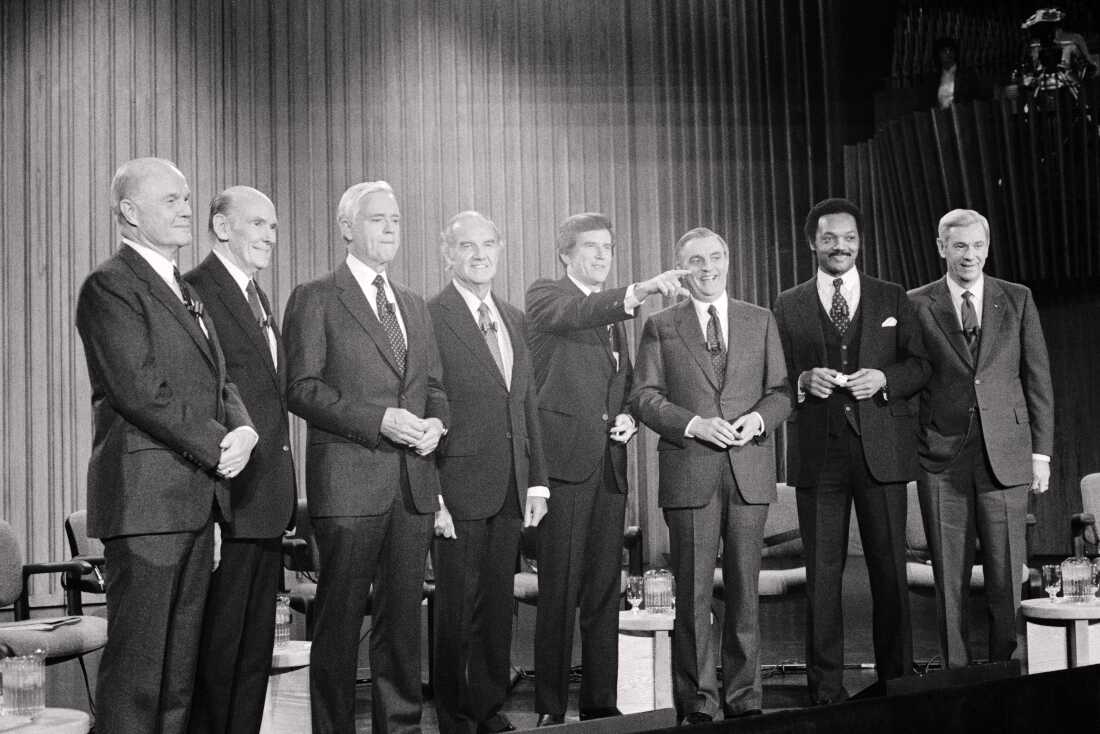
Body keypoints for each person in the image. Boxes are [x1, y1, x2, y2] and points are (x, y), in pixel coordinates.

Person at [75, 157, 258, 734]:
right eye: (171, 200)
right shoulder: (111, 285)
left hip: (194, 503)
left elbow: (218, 379)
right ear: (130, 213)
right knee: (138, 676)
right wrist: (218, 442)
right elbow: (140, 390)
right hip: (148, 504)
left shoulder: (182, 288)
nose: (186, 209)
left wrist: (245, 430)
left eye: (186, 199)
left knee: (178, 677)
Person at [283, 180, 448, 733]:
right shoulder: (316, 297)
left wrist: (436, 424)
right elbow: (301, 389)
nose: (391, 228)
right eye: (378, 219)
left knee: (402, 623)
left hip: (413, 485)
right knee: (339, 620)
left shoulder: (415, 304)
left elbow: (434, 386)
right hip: (349, 484)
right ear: (347, 227)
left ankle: (398, 727)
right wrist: (377, 420)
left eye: (396, 219)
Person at [525, 212, 687, 725]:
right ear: (565, 254)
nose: (601, 255)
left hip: (608, 470)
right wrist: (637, 291)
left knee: (603, 593)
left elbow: (630, 384)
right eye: (591, 247)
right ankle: (550, 709)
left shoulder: (615, 322)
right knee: (559, 594)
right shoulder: (547, 296)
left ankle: (600, 705)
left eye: (608, 247)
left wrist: (627, 417)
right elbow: (579, 311)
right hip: (564, 470)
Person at [631, 227, 792, 724]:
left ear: (728, 260)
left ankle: (745, 701)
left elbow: (782, 391)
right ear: (682, 268)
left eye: (717, 257)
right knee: (693, 598)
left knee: (745, 595)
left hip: (748, 474)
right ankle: (699, 704)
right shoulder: (661, 325)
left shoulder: (760, 320)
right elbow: (644, 397)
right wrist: (694, 423)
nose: (708, 268)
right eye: (696, 260)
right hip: (690, 473)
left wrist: (759, 418)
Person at [772, 197, 928, 704]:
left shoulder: (892, 297)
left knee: (889, 574)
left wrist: (884, 378)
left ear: (860, 242)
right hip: (818, 454)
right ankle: (825, 691)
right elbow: (774, 377)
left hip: (881, 451)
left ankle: (897, 684)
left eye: (849, 237)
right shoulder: (788, 302)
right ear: (812, 242)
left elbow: (919, 367)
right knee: (823, 578)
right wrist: (801, 379)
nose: (840, 246)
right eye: (830, 237)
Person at [909, 208, 1053, 667]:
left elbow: (1037, 381)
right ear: (941, 248)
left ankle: (1006, 674)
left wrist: (1042, 455)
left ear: (987, 248)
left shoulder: (1017, 299)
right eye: (959, 246)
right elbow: (909, 379)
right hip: (941, 457)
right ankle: (956, 678)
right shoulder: (915, 303)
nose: (969, 255)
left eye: (976, 246)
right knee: (948, 578)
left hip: (1005, 455)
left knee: (1006, 576)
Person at [428, 211, 549, 734]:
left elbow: (526, 406)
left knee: (498, 607)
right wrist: (433, 494)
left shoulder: (514, 317)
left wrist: (538, 480)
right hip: (455, 487)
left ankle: (488, 707)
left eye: (489, 244)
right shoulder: (429, 314)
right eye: (467, 246)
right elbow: (425, 400)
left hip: (510, 485)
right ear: (447, 254)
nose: (480, 255)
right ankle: (453, 715)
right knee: (456, 609)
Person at [184, 186, 297, 734]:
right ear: (222, 227)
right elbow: (205, 392)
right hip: (230, 495)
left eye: (273, 227)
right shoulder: (195, 290)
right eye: (258, 225)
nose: (270, 237)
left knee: (255, 651)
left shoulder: (259, 295)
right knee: (220, 649)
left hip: (267, 496)